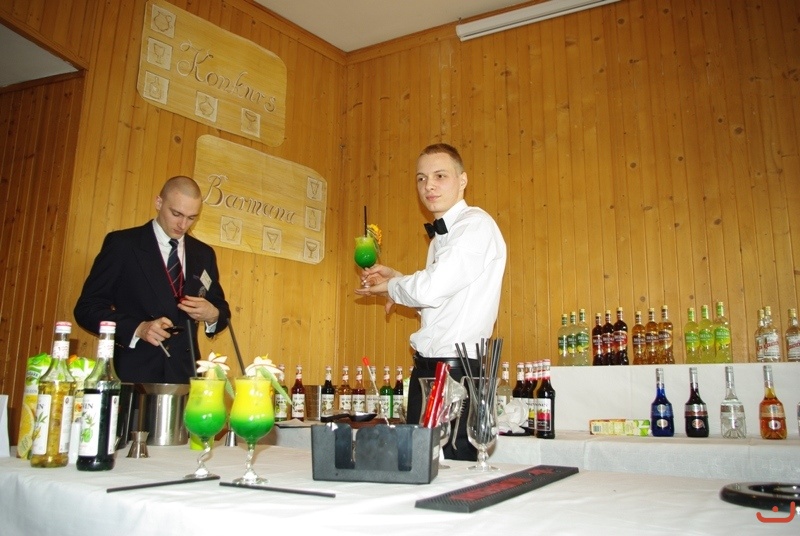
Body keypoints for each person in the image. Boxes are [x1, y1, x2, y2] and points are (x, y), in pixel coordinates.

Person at [355, 143, 506, 460]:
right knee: (418, 467)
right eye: (421, 178)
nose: (429, 186)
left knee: (453, 474)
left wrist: (392, 286)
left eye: (440, 176)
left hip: (455, 374)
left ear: (462, 180)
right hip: (426, 371)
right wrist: (396, 280)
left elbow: (431, 288)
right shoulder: (441, 237)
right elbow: (441, 303)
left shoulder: (475, 225)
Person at [74, 175, 231, 384]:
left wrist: (212, 315)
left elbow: (221, 309)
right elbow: (87, 309)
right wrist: (138, 328)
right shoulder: (123, 245)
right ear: (158, 203)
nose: (183, 224)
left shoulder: (204, 254)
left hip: (185, 376)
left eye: (192, 218)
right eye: (176, 214)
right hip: (134, 374)